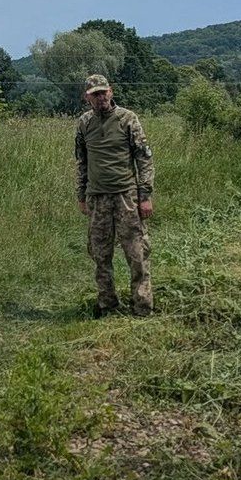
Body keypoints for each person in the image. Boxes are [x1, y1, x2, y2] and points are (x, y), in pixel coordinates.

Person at [74, 74, 154, 318]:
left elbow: (144, 159)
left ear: (111, 91)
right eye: (94, 94)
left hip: (126, 196)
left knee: (136, 252)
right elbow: (82, 161)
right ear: (86, 98)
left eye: (103, 92)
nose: (100, 98)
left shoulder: (127, 119)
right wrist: (81, 194)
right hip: (98, 198)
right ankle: (107, 303)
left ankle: (142, 306)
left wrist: (145, 195)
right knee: (100, 253)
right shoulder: (84, 123)